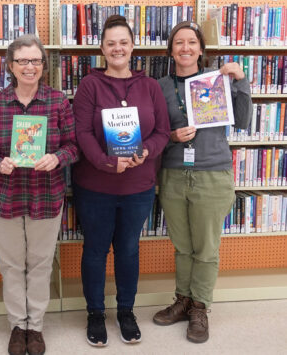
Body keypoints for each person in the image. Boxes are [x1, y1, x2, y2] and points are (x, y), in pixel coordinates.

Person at [0, 34, 78, 355]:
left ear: (44, 65)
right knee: (11, 264)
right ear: (10, 66)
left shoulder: (58, 101)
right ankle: (17, 325)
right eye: (22, 61)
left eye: (35, 61)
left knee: (40, 264)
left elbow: (73, 147)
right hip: (5, 196)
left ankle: (36, 326)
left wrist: (57, 158)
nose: (29, 67)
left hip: (46, 195)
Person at [72, 15, 170, 347]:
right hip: (96, 185)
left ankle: (126, 312)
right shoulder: (89, 85)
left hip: (138, 186)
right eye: (111, 43)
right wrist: (106, 162)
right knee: (96, 251)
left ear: (132, 47)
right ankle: (95, 314)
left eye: (123, 42)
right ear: (102, 48)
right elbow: (81, 133)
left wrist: (147, 151)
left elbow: (162, 132)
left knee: (128, 250)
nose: (117, 48)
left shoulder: (150, 86)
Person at [153, 21, 252, 343]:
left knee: (206, 249)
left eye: (191, 42)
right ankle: (182, 300)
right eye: (178, 43)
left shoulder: (217, 81)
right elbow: (153, 134)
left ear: (200, 48)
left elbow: (244, 120)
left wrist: (240, 81)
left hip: (212, 172)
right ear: (170, 50)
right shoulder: (160, 86)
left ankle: (199, 307)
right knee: (182, 247)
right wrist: (170, 136)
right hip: (173, 173)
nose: (185, 48)